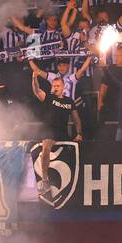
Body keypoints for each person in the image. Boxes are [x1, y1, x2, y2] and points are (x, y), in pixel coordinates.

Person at [31, 72, 82, 203]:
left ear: (63, 87)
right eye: (54, 85)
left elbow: (76, 119)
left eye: (58, 85)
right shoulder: (49, 98)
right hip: (49, 130)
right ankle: (45, 180)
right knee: (46, 147)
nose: (56, 87)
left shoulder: (69, 101)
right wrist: (34, 78)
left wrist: (79, 133)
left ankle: (78, 183)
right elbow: (37, 91)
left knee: (77, 149)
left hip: (63, 131)